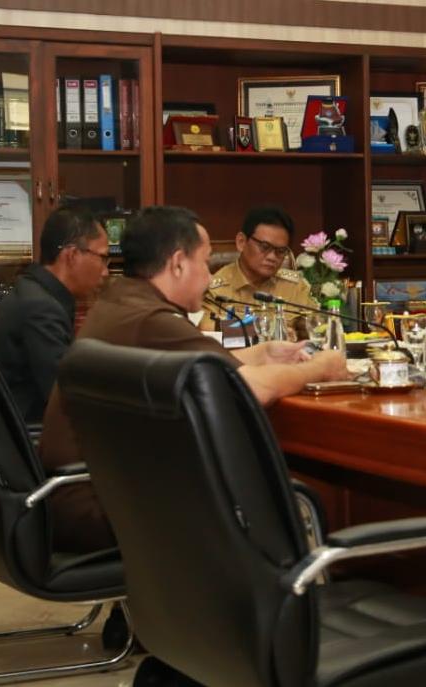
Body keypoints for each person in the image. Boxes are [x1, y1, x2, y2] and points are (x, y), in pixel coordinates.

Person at [40, 205, 350, 553]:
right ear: (177, 263)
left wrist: (262, 354)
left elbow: (194, 366)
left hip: (84, 494)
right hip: (106, 508)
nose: (208, 276)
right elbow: (253, 390)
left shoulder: (123, 300)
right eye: (204, 263)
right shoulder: (152, 320)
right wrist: (320, 367)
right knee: (262, 492)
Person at [0, 206, 109, 422]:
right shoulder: (41, 308)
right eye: (102, 258)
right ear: (72, 255)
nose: (105, 271)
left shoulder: (33, 292)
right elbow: (65, 396)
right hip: (30, 438)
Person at [201, 205, 318, 334]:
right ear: (242, 242)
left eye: (280, 251)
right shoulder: (216, 289)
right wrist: (269, 332)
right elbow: (206, 329)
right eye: (264, 246)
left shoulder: (294, 286)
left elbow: (317, 327)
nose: (272, 257)